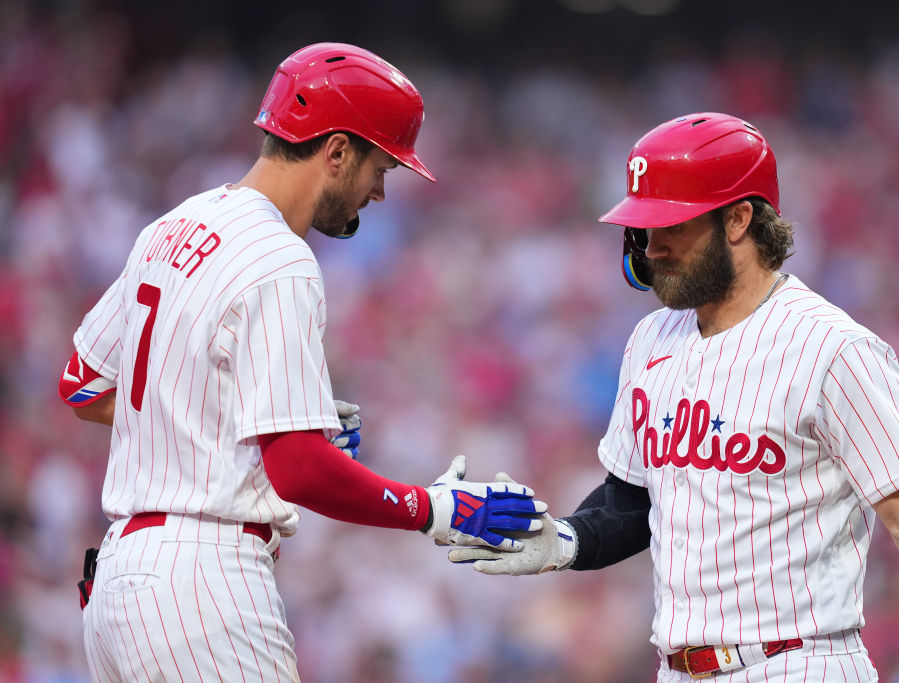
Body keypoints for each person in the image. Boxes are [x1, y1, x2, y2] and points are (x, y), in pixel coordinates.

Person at [59, 42, 545, 681]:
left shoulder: (175, 225)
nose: (377, 191)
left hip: (120, 588)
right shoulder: (279, 257)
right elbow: (298, 469)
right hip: (204, 586)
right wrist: (438, 510)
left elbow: (83, 383)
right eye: (381, 166)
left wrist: (241, 418)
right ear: (336, 150)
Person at [450, 113, 899, 682]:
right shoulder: (651, 339)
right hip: (677, 670)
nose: (651, 247)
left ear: (738, 219)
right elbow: (630, 505)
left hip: (799, 663)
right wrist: (562, 541)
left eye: (671, 226)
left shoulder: (832, 348)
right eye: (643, 228)